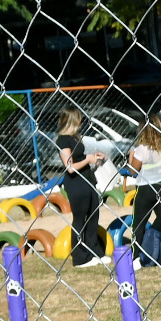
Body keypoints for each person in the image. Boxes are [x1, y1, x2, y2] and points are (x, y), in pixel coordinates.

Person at [57, 109, 107, 268]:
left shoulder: (75, 138)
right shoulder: (62, 140)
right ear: (72, 121)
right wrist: (88, 159)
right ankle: (80, 258)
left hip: (87, 180)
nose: (81, 123)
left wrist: (95, 158)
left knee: (93, 215)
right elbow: (70, 167)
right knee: (80, 219)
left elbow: (81, 159)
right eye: (79, 119)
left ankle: (95, 252)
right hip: (75, 183)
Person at [128, 120, 161, 268]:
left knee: (138, 223)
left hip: (146, 188)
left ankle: (136, 257)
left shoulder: (142, 149)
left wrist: (132, 155)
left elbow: (133, 171)